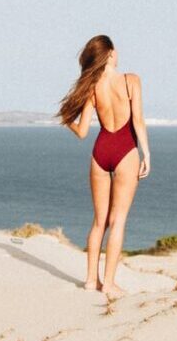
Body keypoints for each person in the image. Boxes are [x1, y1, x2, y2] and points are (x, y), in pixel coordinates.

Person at [57, 34, 150, 299]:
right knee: (117, 221)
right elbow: (139, 122)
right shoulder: (131, 81)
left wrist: (67, 122)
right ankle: (108, 284)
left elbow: (83, 132)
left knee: (99, 222)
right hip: (125, 152)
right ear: (110, 53)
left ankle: (90, 280)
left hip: (100, 151)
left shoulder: (91, 87)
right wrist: (147, 155)